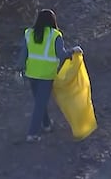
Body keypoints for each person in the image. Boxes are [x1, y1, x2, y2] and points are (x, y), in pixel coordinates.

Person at [16, 9, 82, 143]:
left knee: (40, 101)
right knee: (40, 104)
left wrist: (18, 70)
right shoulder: (55, 35)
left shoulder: (29, 33)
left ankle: (46, 125)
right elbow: (61, 55)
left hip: (31, 73)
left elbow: (23, 53)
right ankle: (32, 134)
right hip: (46, 75)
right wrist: (73, 51)